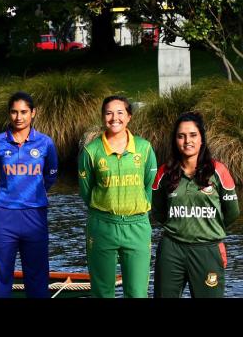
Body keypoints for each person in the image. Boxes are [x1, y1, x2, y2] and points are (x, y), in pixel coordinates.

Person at [151, 112, 239, 298]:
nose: (187, 141)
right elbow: (157, 211)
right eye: (181, 136)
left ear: (201, 139)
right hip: (172, 250)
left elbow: (232, 212)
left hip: (207, 250)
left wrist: (211, 232)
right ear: (175, 140)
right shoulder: (164, 172)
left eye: (193, 135)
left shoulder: (218, 171)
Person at [78, 95, 157, 298]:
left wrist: (136, 207)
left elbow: (149, 186)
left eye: (120, 112)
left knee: (137, 293)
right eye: (109, 113)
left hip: (137, 226)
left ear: (129, 116)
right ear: (103, 117)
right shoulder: (91, 150)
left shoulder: (145, 148)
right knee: (103, 292)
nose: (115, 118)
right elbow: (87, 191)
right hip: (102, 226)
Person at [0, 92, 58, 298]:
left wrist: (35, 193)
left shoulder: (45, 143)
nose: (19, 117)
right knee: (1, 278)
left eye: (24, 112)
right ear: (9, 114)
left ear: (33, 113)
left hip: (34, 215)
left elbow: (51, 174)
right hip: (4, 216)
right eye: (14, 112)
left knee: (37, 278)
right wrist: (5, 193)